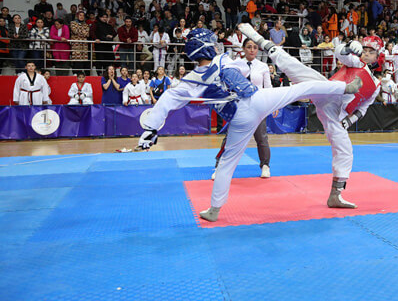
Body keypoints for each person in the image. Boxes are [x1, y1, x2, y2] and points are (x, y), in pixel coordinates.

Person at [136, 28, 360, 222]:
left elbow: (168, 99)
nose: (215, 46)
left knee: (227, 163)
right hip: (256, 100)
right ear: (205, 47)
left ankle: (214, 209)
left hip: (239, 119)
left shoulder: (191, 81)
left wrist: (150, 129)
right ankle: (345, 88)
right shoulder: (223, 60)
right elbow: (243, 71)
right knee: (302, 88)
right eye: (212, 44)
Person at [238, 22, 382, 209]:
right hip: (327, 89)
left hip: (335, 113)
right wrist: (347, 48)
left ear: (378, 57)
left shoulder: (376, 85)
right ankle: (256, 37)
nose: (366, 54)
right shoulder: (356, 62)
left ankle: (335, 195)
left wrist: (348, 121)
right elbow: (340, 53)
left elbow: (363, 109)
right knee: (294, 66)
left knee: (345, 150)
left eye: (371, 52)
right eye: (365, 50)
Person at [236, 38, 275, 178]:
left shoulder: (263, 66)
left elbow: (268, 87)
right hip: (240, 105)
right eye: (248, 47)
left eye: (254, 47)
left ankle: (265, 166)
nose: (252, 50)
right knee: (231, 138)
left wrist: (273, 104)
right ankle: (220, 166)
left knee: (261, 137)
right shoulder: (236, 64)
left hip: (258, 106)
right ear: (243, 48)